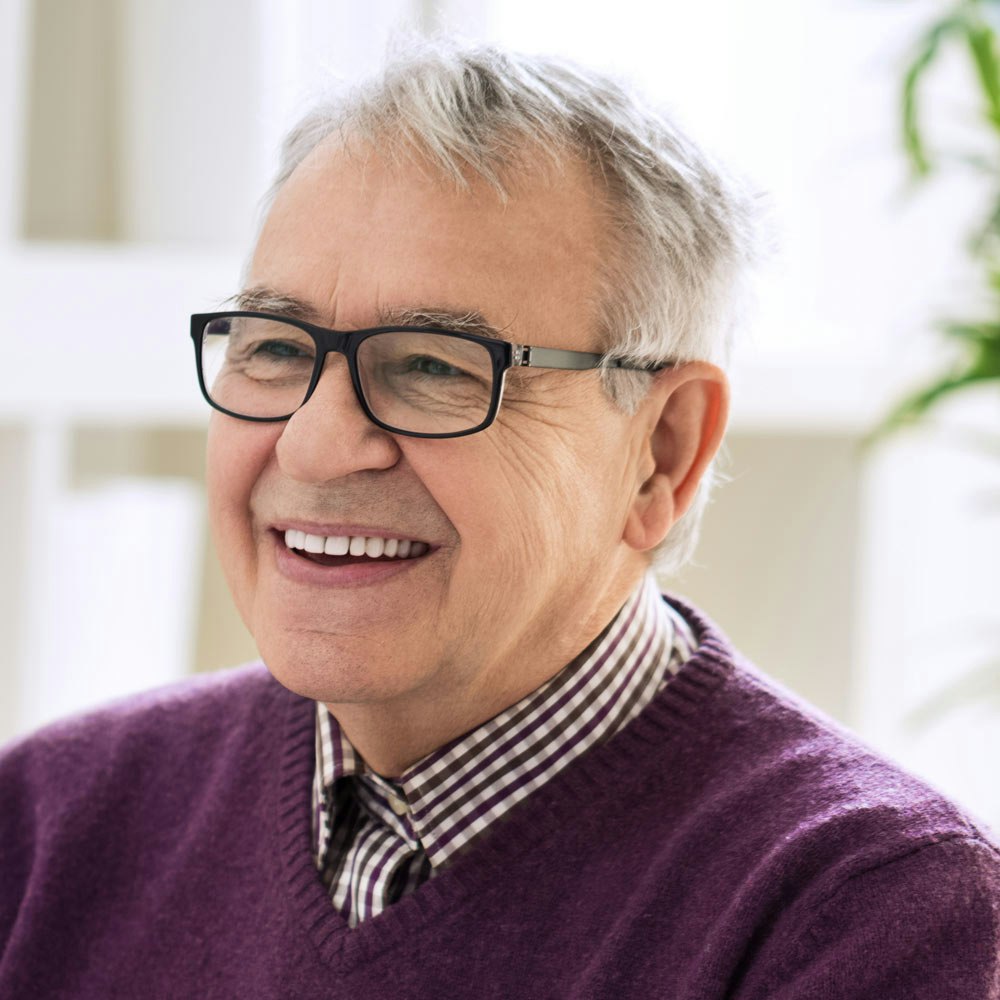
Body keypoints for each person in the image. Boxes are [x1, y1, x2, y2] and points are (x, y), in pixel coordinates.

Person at [2, 38, 998, 1000]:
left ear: (662, 451)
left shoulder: (869, 911)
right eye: (274, 347)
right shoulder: (48, 823)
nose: (312, 444)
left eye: (433, 366)